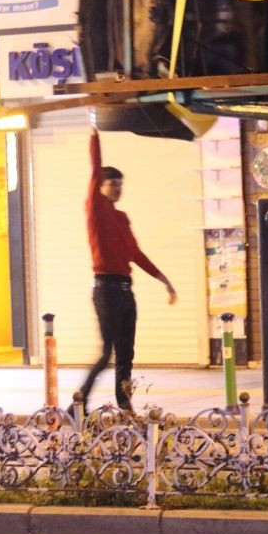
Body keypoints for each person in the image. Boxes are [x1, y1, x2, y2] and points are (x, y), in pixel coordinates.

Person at [75, 129, 177, 412]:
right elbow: (95, 168)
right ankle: (79, 402)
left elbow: (135, 254)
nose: (117, 189)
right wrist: (94, 134)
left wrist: (163, 279)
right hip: (105, 290)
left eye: (120, 184)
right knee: (106, 352)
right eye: (112, 184)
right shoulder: (96, 210)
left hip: (125, 290)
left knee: (126, 354)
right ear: (101, 186)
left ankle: (125, 404)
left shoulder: (121, 218)